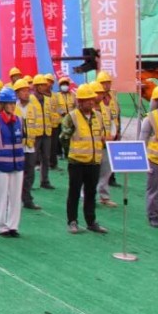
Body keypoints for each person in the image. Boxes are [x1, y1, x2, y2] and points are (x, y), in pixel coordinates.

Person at [60, 84, 109, 234]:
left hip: (94, 161)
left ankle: (91, 221)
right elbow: (63, 138)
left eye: (91, 99)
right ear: (80, 101)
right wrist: (72, 153)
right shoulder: (71, 117)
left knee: (91, 192)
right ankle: (72, 221)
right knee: (74, 192)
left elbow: (100, 135)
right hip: (77, 162)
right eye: (87, 100)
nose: (91, 102)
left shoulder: (98, 116)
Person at [0, 88, 25, 237]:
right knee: (1, 197)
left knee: (15, 197)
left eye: (13, 103)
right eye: (9, 103)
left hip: (17, 164)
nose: (12, 106)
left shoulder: (19, 121)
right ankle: (2, 227)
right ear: (2, 105)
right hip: (1, 165)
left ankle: (13, 226)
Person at [14, 79, 43, 211]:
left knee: (30, 173)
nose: (26, 93)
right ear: (17, 93)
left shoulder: (34, 107)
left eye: (27, 91)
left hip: (31, 145)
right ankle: (16, 197)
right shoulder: (13, 108)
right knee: (17, 173)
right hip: (17, 146)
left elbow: (38, 124)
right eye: (23, 91)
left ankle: (27, 198)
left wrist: (34, 138)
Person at [141, 86, 158, 227]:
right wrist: (144, 162)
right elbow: (142, 141)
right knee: (153, 191)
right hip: (155, 161)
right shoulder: (150, 118)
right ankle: (153, 216)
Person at [93, 81, 119, 206]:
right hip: (92, 147)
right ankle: (86, 195)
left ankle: (104, 196)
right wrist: (100, 137)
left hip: (105, 146)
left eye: (101, 93)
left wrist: (112, 136)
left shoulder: (106, 109)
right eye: (97, 93)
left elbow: (112, 124)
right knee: (90, 173)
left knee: (106, 172)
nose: (100, 96)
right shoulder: (87, 111)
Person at [30, 74, 56, 191]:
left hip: (47, 133)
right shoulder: (30, 100)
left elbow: (52, 115)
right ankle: (29, 183)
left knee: (46, 158)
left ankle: (44, 181)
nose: (43, 87)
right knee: (32, 159)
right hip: (35, 134)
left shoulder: (49, 100)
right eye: (40, 85)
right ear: (35, 86)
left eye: (44, 85)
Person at [51, 77, 76, 163]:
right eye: (62, 84)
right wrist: (62, 112)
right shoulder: (56, 95)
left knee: (70, 137)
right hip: (60, 119)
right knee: (59, 137)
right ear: (59, 86)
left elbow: (75, 106)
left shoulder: (73, 95)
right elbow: (55, 106)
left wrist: (72, 114)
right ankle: (58, 153)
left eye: (66, 84)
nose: (64, 86)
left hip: (71, 119)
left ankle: (68, 153)